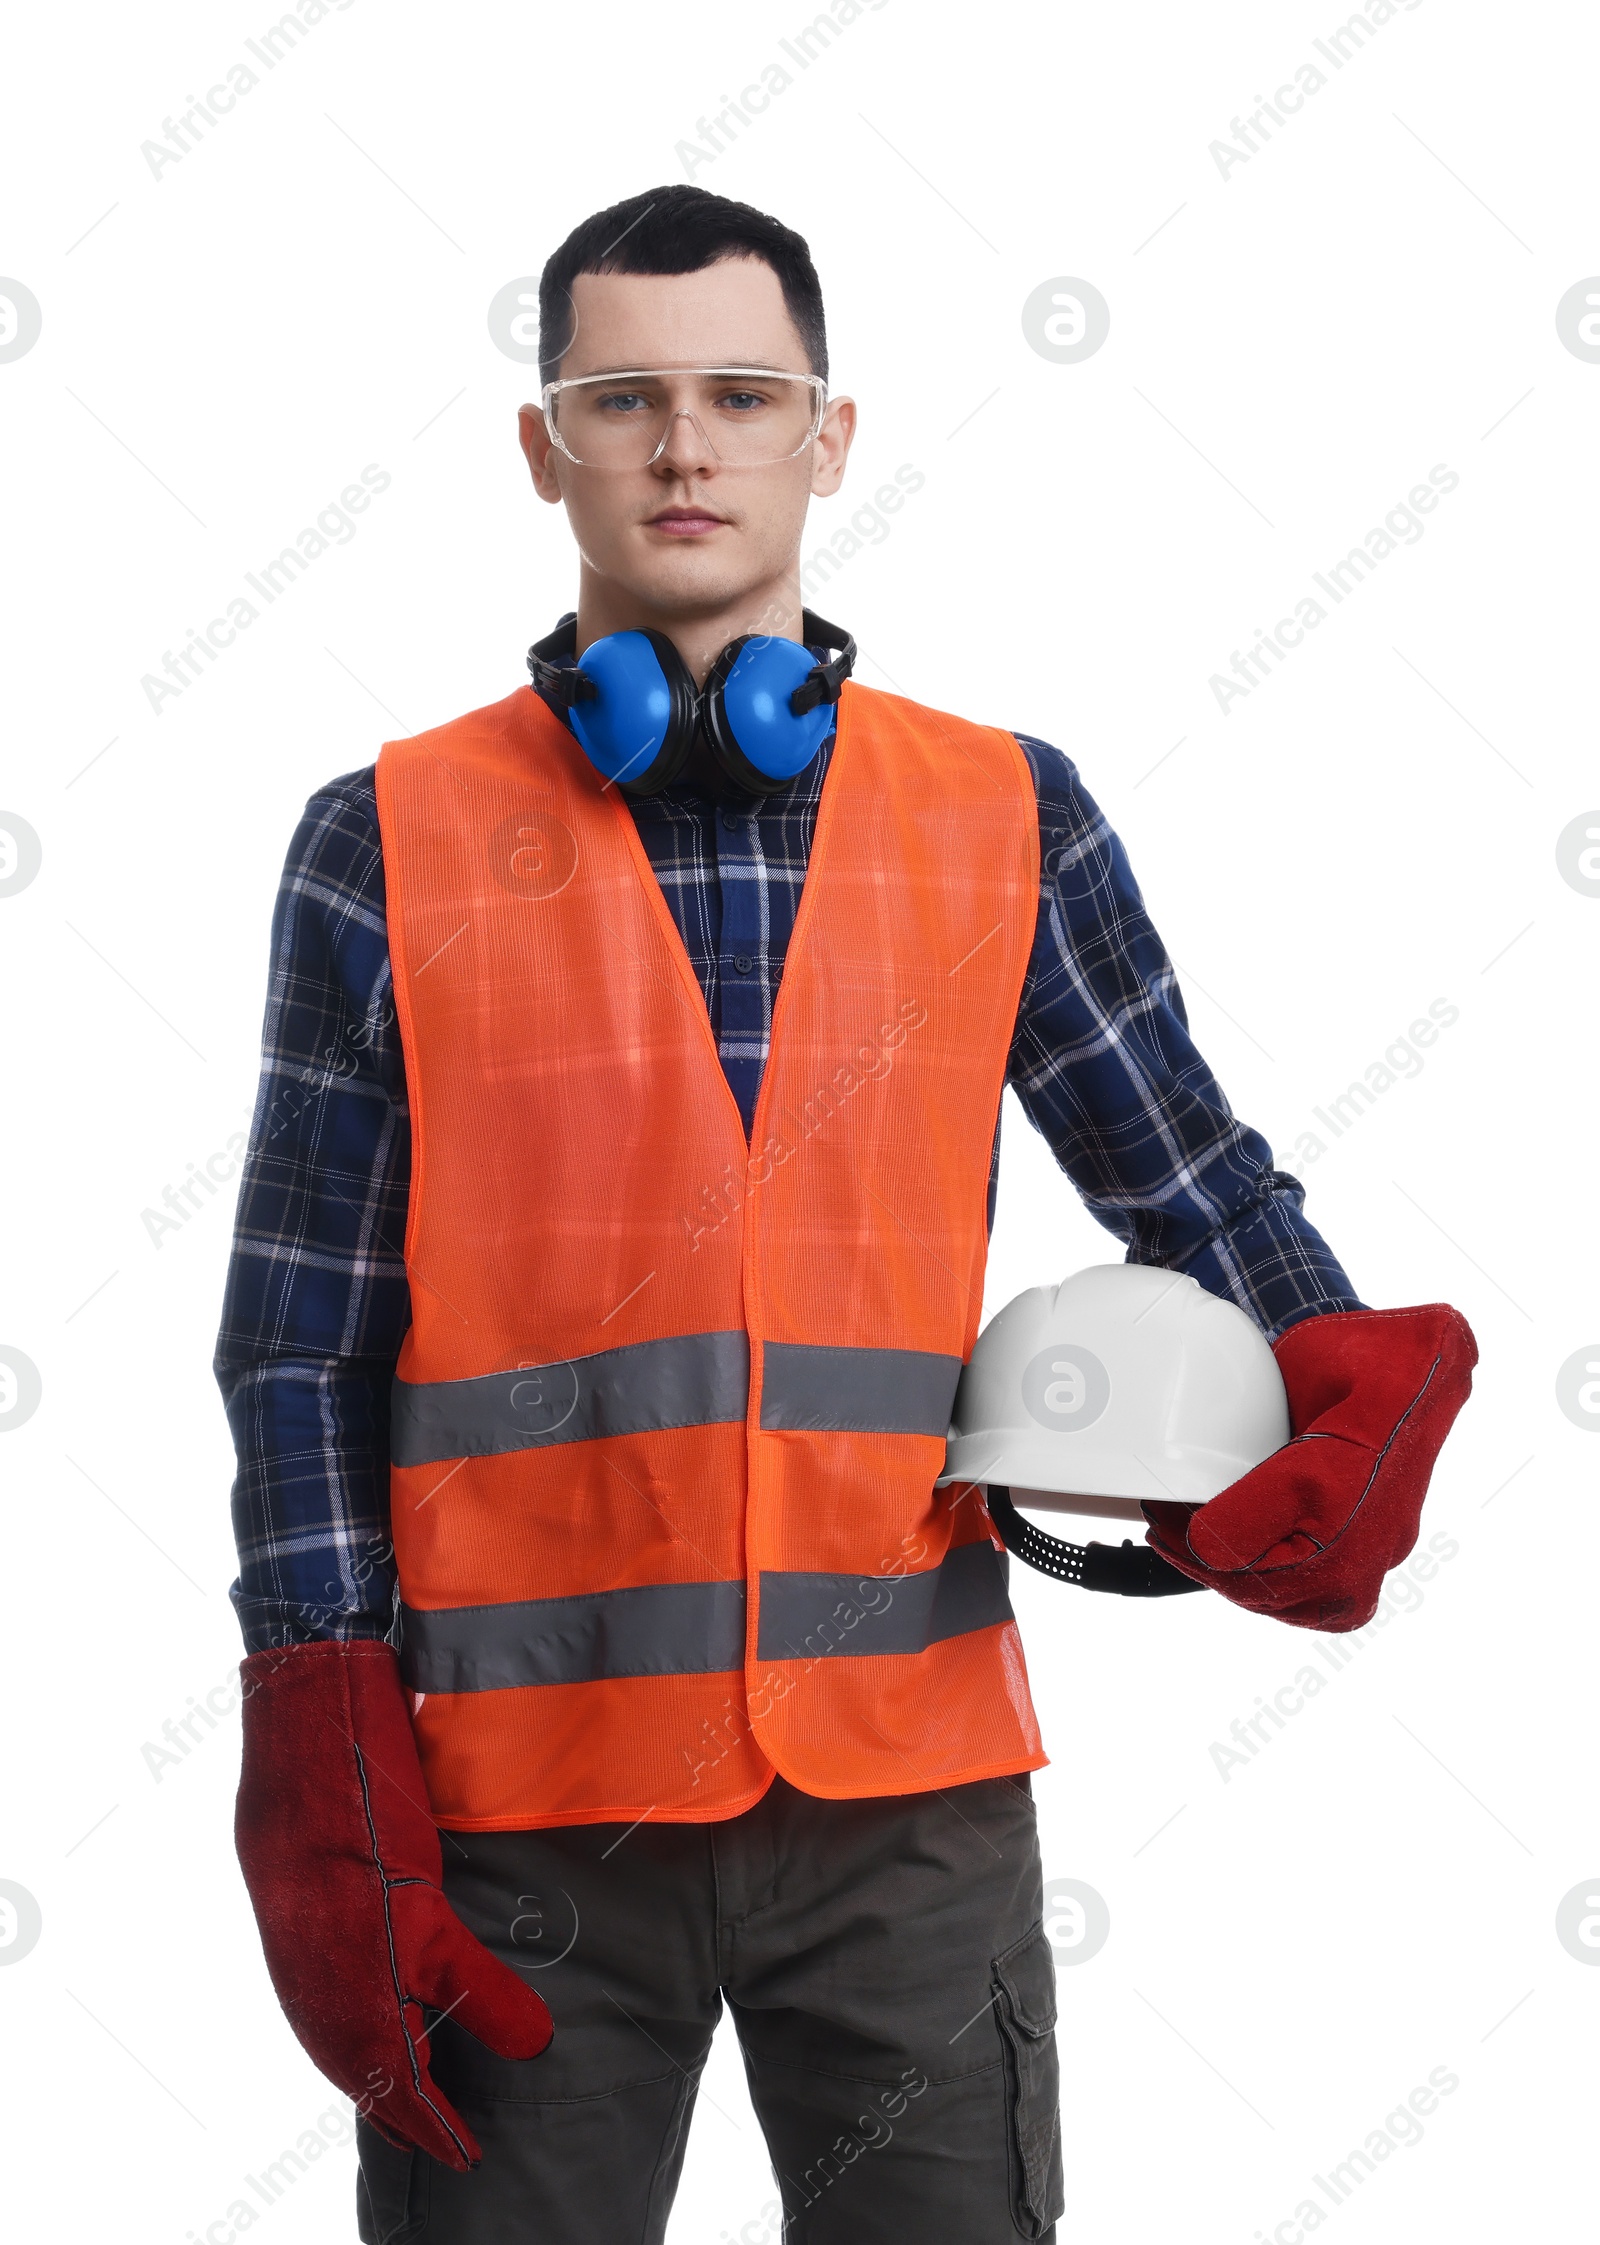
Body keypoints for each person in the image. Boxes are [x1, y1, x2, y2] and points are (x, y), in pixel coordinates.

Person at [215, 183, 1474, 2245]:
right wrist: (322, 1767)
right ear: (544, 447)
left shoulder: (1003, 812)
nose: (684, 445)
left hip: (910, 1809)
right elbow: (302, 1342)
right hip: (518, 1826)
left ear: (830, 434)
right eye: (621, 397)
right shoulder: (387, 839)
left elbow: (1184, 1177)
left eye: (738, 392)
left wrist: (1344, 1374)